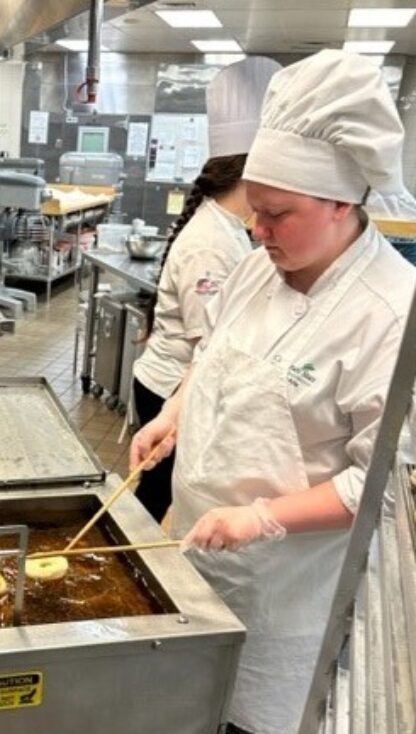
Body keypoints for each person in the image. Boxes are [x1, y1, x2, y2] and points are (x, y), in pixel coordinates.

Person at [130, 50, 416, 734]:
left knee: (249, 720)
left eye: (278, 214)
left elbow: (374, 485)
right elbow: (215, 351)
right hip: (200, 558)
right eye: (254, 211)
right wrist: (176, 411)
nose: (257, 231)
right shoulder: (259, 269)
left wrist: (260, 519)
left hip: (283, 588)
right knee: (189, 710)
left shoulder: (391, 316)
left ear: (341, 202)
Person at [131, 57, 280, 522]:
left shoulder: (233, 228)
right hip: (170, 389)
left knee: (157, 500)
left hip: (178, 386)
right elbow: (208, 345)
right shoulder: (211, 245)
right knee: (152, 505)